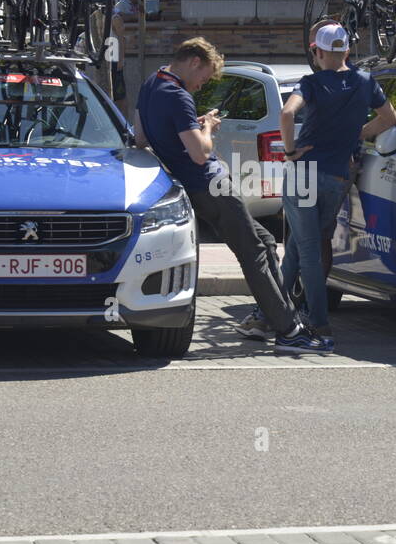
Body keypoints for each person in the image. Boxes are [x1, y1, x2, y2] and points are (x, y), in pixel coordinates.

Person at [135, 37, 331, 354]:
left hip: (197, 187)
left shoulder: (150, 84)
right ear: (195, 61)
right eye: (205, 77)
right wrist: (209, 128)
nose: (201, 86)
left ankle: (272, 319)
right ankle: (289, 332)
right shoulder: (178, 95)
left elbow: (141, 137)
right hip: (211, 184)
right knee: (253, 251)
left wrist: (187, 131)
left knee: (265, 241)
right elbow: (200, 154)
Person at [279, 23, 396, 341]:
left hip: (304, 174)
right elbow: (390, 119)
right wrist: (356, 134)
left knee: (307, 251)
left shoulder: (312, 83)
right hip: (337, 177)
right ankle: (268, 314)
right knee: (299, 247)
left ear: (318, 52)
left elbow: (287, 114)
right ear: (346, 50)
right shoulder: (364, 81)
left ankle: (318, 322)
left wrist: (290, 152)